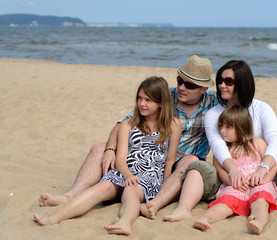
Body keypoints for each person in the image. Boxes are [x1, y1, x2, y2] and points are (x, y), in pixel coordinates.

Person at [37, 55, 218, 219]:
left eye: (190, 85)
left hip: (176, 163)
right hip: (141, 155)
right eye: (180, 81)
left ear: (203, 89)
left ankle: (155, 202)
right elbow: (126, 122)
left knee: (190, 160)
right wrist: (109, 149)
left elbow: (239, 103)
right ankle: (70, 195)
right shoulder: (164, 95)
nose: (182, 87)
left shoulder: (214, 102)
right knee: (98, 148)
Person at [163, 60, 277, 228]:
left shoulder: (262, 109)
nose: (221, 85)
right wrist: (232, 173)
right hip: (228, 177)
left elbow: (275, 141)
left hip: (262, 175)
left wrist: (263, 169)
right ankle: (183, 209)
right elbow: (217, 144)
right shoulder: (214, 112)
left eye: (229, 81)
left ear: (242, 83)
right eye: (220, 80)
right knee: (197, 167)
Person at [33, 76, 182, 236]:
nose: (142, 104)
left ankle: (125, 222)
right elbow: (121, 157)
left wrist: (162, 191)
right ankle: (55, 217)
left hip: (150, 175)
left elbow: (170, 160)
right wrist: (127, 175)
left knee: (131, 191)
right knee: (102, 187)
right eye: (139, 98)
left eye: (148, 100)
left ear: (161, 102)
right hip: (126, 170)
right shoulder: (128, 124)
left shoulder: (173, 125)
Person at [193, 105, 277, 234]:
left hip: (259, 183)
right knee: (225, 203)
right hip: (236, 185)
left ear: (242, 128)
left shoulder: (256, 143)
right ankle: (206, 218)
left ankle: (259, 221)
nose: (222, 131)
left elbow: (273, 165)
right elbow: (221, 171)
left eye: (228, 127)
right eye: (221, 126)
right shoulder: (223, 151)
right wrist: (232, 183)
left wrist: (266, 180)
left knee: (260, 201)